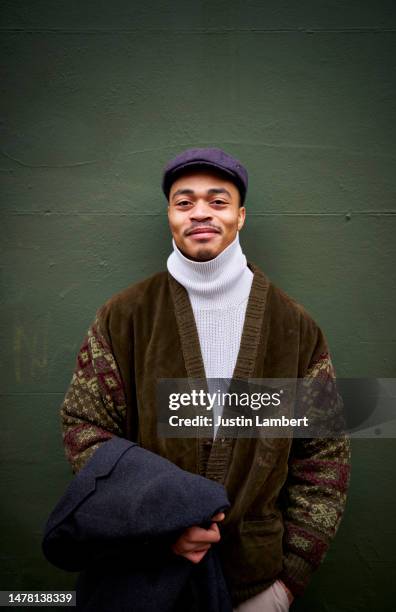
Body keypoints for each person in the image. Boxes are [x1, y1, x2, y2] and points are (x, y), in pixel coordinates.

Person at [61, 147, 351, 611]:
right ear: (170, 216)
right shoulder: (125, 316)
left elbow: (324, 457)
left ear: (240, 215)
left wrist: (286, 585)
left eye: (217, 201)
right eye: (184, 201)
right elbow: (84, 427)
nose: (200, 212)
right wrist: (162, 518)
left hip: (254, 585)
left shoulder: (294, 327)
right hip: (145, 575)